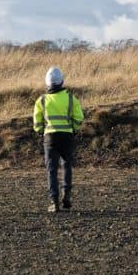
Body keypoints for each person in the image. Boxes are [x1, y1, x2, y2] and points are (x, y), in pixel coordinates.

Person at [32, 66, 84, 212]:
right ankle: (66, 196)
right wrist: (73, 129)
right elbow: (79, 118)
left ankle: (54, 202)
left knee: (52, 170)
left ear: (47, 83)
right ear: (61, 81)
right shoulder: (70, 98)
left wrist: (41, 130)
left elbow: (37, 124)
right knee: (67, 166)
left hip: (50, 137)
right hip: (67, 136)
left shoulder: (41, 100)